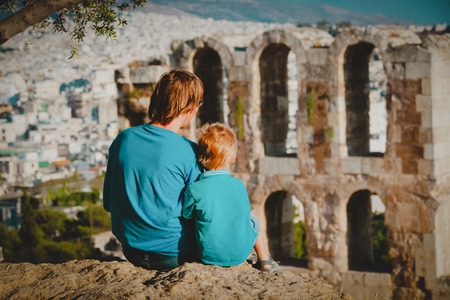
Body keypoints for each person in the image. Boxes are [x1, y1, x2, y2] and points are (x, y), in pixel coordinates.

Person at [103, 69, 204, 271]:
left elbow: (108, 203)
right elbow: (202, 212)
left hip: (131, 250)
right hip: (175, 253)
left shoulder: (123, 140)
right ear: (190, 107)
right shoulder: (189, 152)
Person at [182, 123, 279, 272]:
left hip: (208, 255)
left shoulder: (195, 189)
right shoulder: (238, 185)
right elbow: (244, 215)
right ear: (232, 158)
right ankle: (265, 260)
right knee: (252, 218)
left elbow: (186, 216)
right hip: (241, 253)